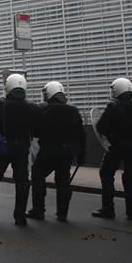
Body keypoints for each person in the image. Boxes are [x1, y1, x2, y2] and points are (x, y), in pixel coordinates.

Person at [0, 73, 38, 225]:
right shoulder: (32, 106)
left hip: (2, 148)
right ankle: (20, 216)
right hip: (21, 149)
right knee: (22, 182)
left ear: (8, 88)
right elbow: (36, 129)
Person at [91, 78, 132, 221]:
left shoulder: (113, 106)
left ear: (116, 90)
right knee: (130, 177)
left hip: (117, 146)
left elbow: (101, 126)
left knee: (106, 174)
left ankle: (108, 209)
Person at [27, 81, 86, 222]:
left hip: (49, 150)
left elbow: (36, 130)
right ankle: (62, 213)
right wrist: (81, 155)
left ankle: (38, 210)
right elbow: (81, 134)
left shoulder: (44, 109)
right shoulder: (73, 110)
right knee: (63, 181)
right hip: (67, 152)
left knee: (37, 175)